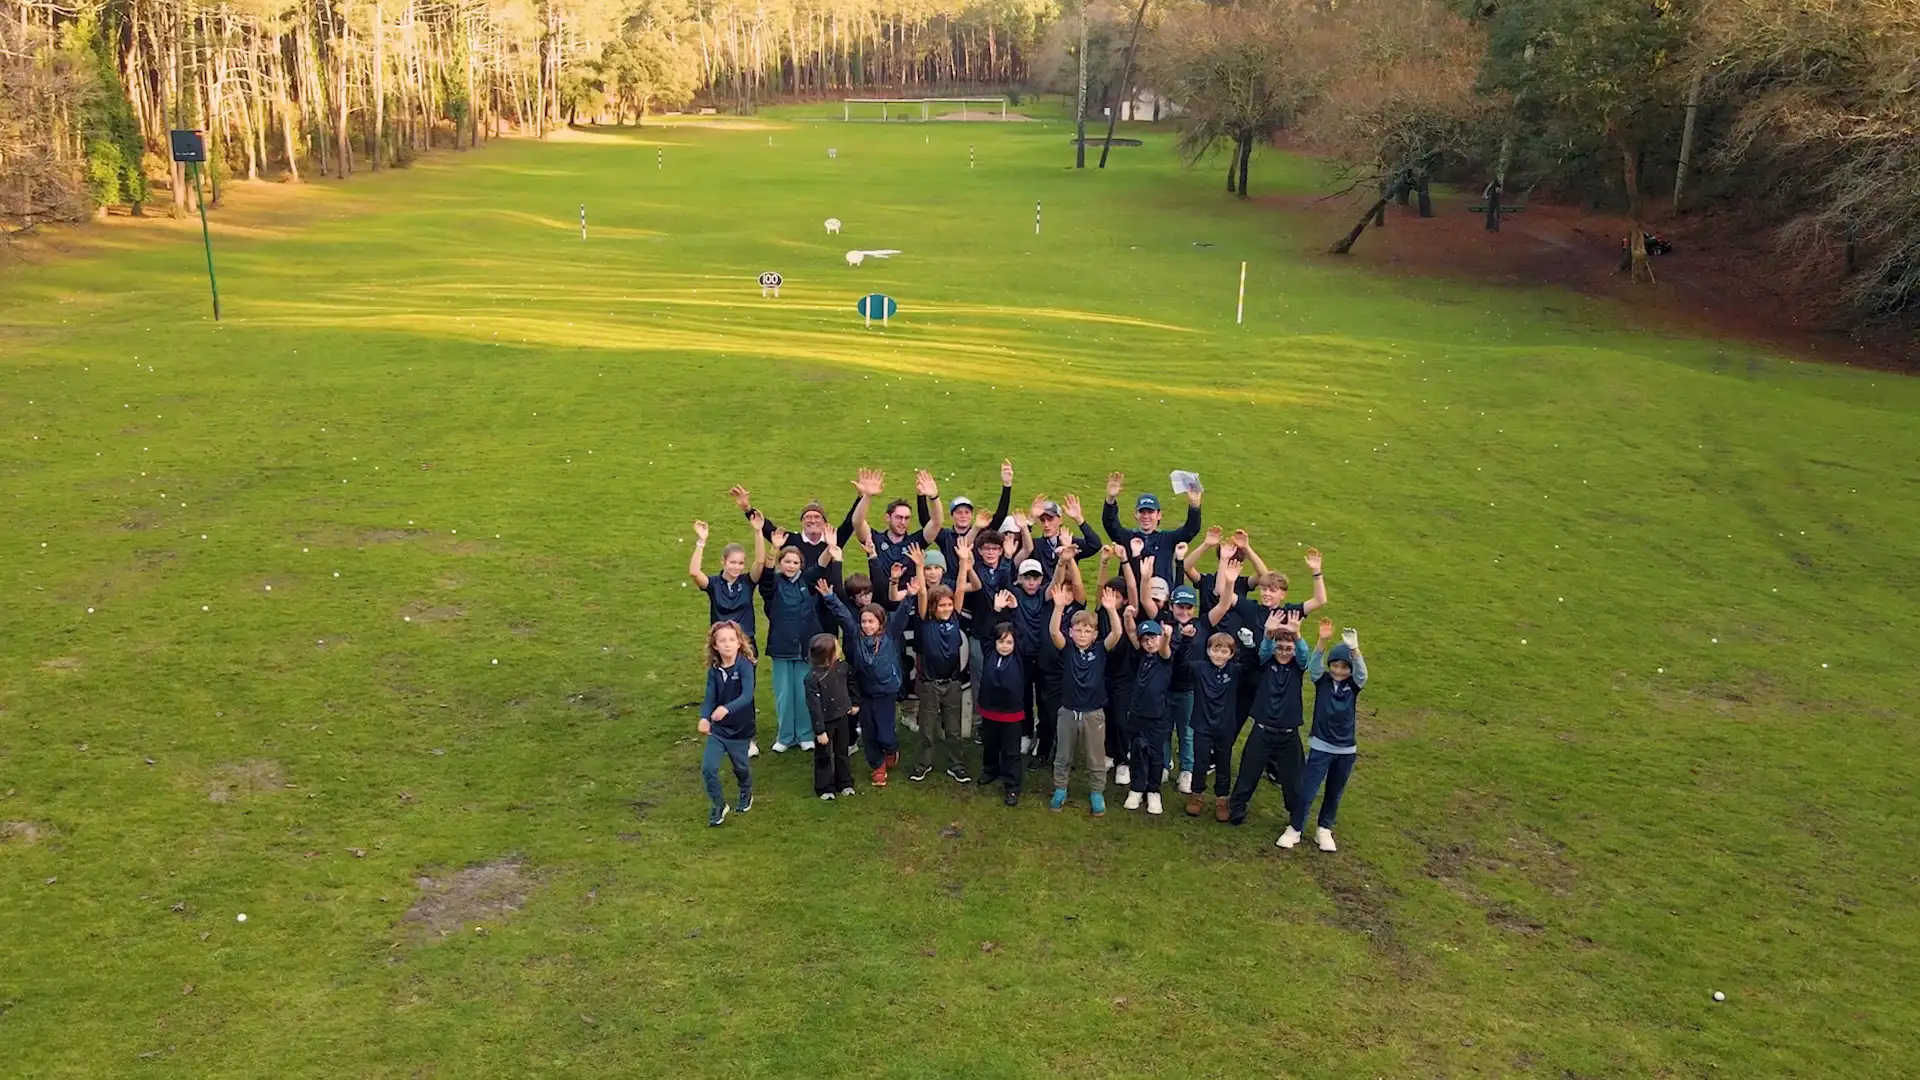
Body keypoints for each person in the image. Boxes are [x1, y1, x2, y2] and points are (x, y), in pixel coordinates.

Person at [820, 568, 915, 786]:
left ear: (881, 623)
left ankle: (891, 749)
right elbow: (843, 615)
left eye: (872, 622)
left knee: (885, 731)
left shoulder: (890, 634)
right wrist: (829, 597)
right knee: (869, 732)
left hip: (886, 692)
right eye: (864, 621)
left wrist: (909, 595)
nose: (867, 626)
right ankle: (877, 765)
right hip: (864, 692)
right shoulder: (855, 635)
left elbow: (901, 615)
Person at [1279, 620, 1368, 852]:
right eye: (1335, 666)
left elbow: (1362, 674)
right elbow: (1315, 666)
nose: (1339, 671)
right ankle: (1295, 828)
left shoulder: (1354, 684)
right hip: (1321, 746)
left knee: (1334, 791)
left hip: (1346, 750)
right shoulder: (1323, 681)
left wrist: (1355, 651)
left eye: (1344, 667)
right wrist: (1322, 642)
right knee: (1308, 790)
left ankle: (1324, 829)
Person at [751, 516, 829, 753]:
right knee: (784, 695)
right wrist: (774, 548)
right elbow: (765, 573)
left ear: (801, 565)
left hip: (806, 648)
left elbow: (822, 566)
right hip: (782, 647)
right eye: (787, 561)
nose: (791, 566)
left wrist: (830, 548)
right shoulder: (773, 584)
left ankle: (805, 734)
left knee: (804, 693)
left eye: (795, 562)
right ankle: (785, 736)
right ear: (781, 563)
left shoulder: (807, 580)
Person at [1047, 580, 1124, 816]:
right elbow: (1053, 631)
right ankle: (1060, 789)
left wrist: (1111, 610)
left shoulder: (1100, 649)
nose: (1082, 634)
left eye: (1087, 630)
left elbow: (1117, 633)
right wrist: (1058, 607)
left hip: (1093, 714)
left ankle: (1096, 792)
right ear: (1071, 632)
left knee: (1095, 758)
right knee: (1063, 755)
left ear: (1095, 634)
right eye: (1078, 630)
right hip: (1068, 711)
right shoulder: (1068, 648)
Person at [731, 470, 878, 592]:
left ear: (824, 523)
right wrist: (747, 509)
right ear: (802, 522)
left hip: (827, 604)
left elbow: (850, 521)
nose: (812, 520)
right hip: (798, 600)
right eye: (807, 517)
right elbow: (765, 526)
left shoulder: (833, 539)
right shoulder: (791, 540)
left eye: (817, 517)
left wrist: (861, 497)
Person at [1229, 610, 1309, 825]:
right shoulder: (1265, 663)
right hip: (1262, 730)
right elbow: (1263, 651)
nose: (1283, 652)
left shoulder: (1297, 668)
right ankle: (1236, 809)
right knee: (1248, 774)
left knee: (1293, 782)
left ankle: (1296, 819)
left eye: (1288, 649)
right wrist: (1267, 633)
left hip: (1289, 733)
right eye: (1279, 648)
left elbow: (1303, 655)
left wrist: (1297, 635)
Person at [690, 518, 761, 758]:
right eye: (733, 562)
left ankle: (748, 737)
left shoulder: (747, 583)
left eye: (741, 563)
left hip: (745, 646)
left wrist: (758, 532)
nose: (737, 567)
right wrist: (701, 541)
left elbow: (761, 562)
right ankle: (723, 733)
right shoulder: (714, 584)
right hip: (722, 647)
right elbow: (694, 572)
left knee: (745, 693)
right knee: (721, 690)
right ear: (723, 562)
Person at [909, 543, 973, 783]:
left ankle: (956, 765)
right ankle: (922, 764)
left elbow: (958, 588)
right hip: (930, 684)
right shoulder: (925, 619)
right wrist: (918, 566)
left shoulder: (955, 615)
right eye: (942, 606)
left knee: (953, 730)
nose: (946, 608)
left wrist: (965, 563)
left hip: (953, 683)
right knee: (927, 728)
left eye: (949, 605)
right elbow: (923, 594)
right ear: (933, 607)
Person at [1101, 470, 1203, 591]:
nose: (1146, 516)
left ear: (1159, 515)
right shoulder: (1127, 537)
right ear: (1136, 515)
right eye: (1142, 512)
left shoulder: (1168, 539)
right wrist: (1110, 499)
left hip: (1160, 601)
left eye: (1150, 512)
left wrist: (1195, 506)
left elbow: (1191, 529)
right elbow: (1110, 523)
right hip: (1130, 600)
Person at [699, 622, 756, 827]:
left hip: (740, 729)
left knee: (741, 767)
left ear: (739, 643)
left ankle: (745, 789)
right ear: (714, 645)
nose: (727, 644)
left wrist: (726, 709)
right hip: (719, 730)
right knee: (708, 768)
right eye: (722, 641)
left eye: (732, 640)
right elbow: (709, 698)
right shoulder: (714, 670)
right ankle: (718, 804)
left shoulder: (745, 666)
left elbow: (747, 695)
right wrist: (704, 718)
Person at [1184, 628, 1244, 821]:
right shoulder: (1200, 668)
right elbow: (1181, 664)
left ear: (1232, 654)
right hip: (1202, 726)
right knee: (1200, 762)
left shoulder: (1234, 671)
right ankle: (1196, 796)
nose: (1219, 655)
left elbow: (1253, 664)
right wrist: (1187, 640)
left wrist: (1248, 644)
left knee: (1223, 763)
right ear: (1208, 650)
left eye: (1224, 651)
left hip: (1225, 727)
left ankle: (1221, 799)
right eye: (1215, 650)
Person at [1123, 612, 1174, 815]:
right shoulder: (1141, 656)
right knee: (1137, 752)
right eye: (1145, 639)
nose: (1149, 642)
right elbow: (1131, 633)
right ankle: (1136, 788)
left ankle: (1153, 791)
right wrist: (1128, 617)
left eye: (1153, 637)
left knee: (1155, 755)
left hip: (1157, 716)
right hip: (1137, 714)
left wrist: (1167, 636)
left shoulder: (1165, 658)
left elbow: (1165, 650)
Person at [975, 621, 1028, 805]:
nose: (1004, 646)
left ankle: (1012, 785)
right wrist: (996, 613)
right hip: (990, 711)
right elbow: (986, 634)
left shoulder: (1019, 658)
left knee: (1010, 751)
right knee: (990, 744)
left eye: (1009, 643)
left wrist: (1013, 611)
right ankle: (990, 770)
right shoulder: (989, 652)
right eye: (1001, 642)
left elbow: (1021, 636)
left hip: (1011, 714)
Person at [805, 633, 857, 800]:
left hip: (842, 716)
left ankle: (845, 782)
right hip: (825, 722)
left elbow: (852, 682)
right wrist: (819, 731)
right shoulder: (812, 678)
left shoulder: (842, 667)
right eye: (836, 646)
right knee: (824, 755)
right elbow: (814, 706)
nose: (840, 648)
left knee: (842, 752)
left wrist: (854, 703)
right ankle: (824, 787)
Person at [1164, 583, 1203, 793]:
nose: (1184, 612)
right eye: (1180, 607)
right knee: (1164, 729)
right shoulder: (1166, 626)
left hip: (1188, 689)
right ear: (1171, 606)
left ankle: (1187, 770)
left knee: (1187, 732)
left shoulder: (1199, 629)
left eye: (1189, 608)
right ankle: (1163, 764)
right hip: (1166, 688)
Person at [1026, 493, 1100, 584]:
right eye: (1042, 520)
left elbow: (1095, 545)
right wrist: (1030, 520)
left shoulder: (1071, 543)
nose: (1046, 524)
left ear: (1060, 520)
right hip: (1042, 595)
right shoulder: (1035, 545)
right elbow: (1016, 545)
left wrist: (1079, 519)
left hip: (1067, 594)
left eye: (1050, 519)